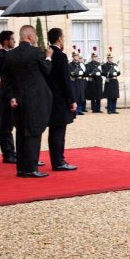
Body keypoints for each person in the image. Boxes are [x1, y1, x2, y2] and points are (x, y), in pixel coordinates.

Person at [3, 25, 53, 178]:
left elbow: (6, 79)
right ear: (30, 36)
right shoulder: (35, 52)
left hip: (17, 98)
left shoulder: (10, 55)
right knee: (33, 132)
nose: (36, 38)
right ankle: (31, 168)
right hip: (34, 98)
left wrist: (11, 96)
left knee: (21, 132)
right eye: (35, 36)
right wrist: (49, 56)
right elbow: (46, 70)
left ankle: (21, 168)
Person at [45, 28, 78, 171]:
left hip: (48, 98)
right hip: (59, 99)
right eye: (63, 37)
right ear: (59, 38)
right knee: (59, 132)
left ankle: (56, 159)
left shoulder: (45, 54)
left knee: (54, 131)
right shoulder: (60, 56)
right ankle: (59, 161)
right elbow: (65, 81)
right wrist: (72, 100)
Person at [0, 31, 17, 162]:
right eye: (12, 40)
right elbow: (7, 77)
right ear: (5, 41)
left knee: (9, 125)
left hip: (8, 93)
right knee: (6, 125)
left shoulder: (7, 55)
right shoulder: (3, 56)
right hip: (7, 94)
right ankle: (8, 153)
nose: (14, 42)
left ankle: (10, 151)